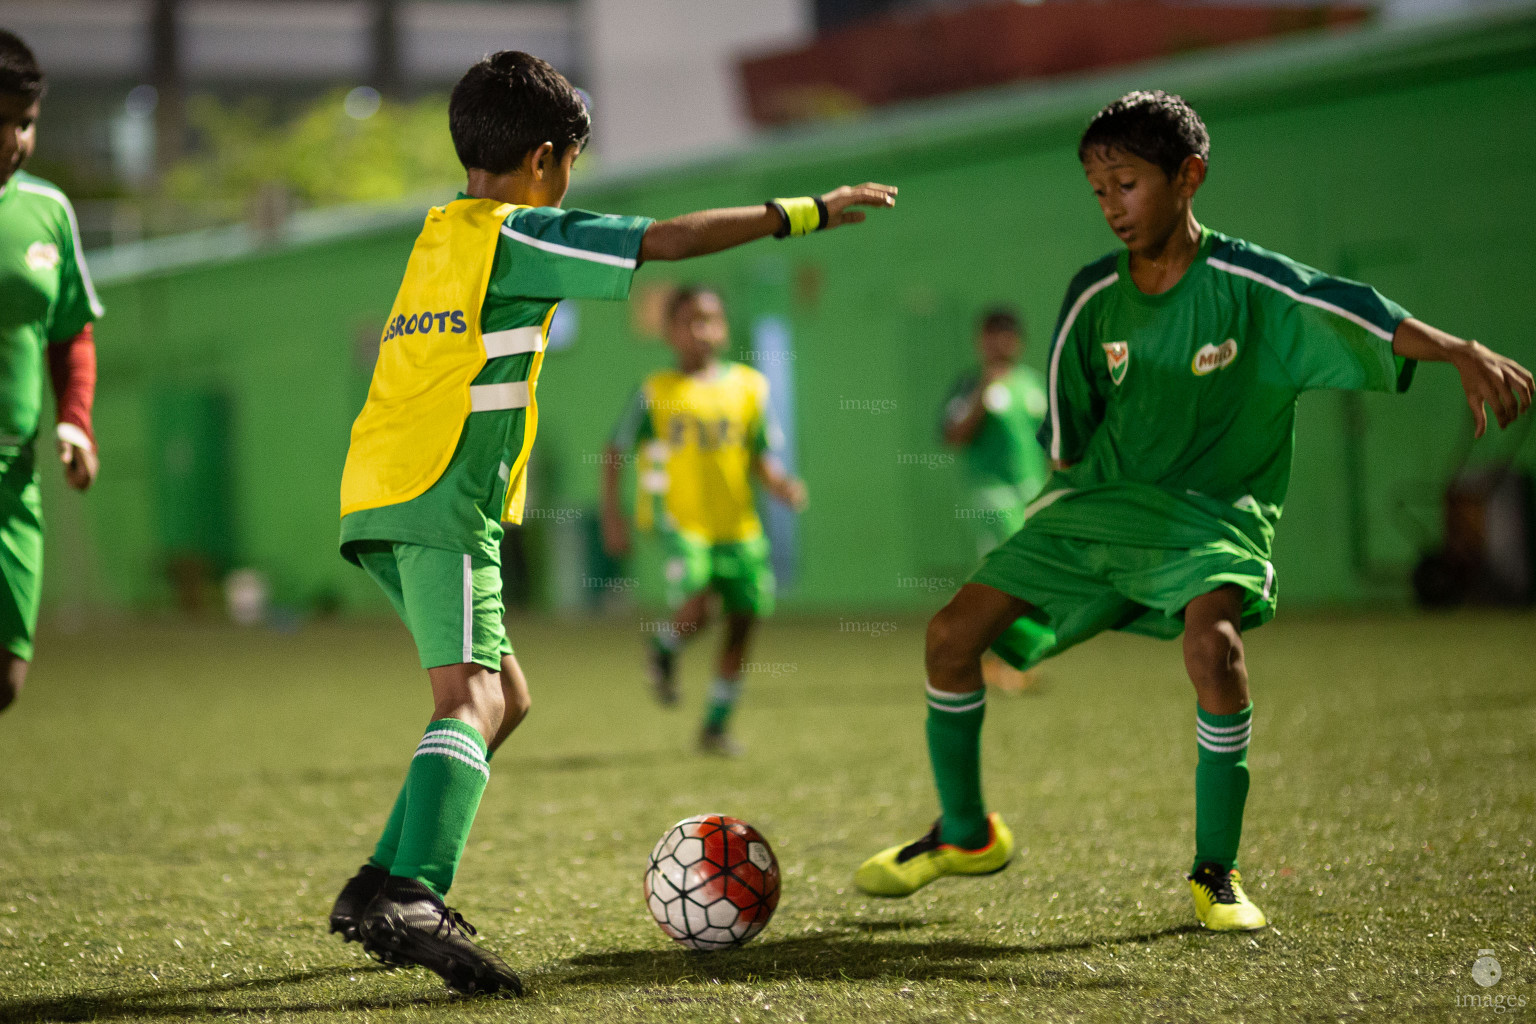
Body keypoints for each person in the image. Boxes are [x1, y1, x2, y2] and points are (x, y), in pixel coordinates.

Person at [854, 90, 1531, 932]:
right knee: (950, 638)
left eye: (1127, 184)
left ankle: (1216, 871)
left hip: (1216, 516)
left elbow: (1352, 309)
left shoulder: (1249, 284)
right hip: (1102, 508)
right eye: (1098, 190)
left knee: (1215, 653)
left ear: (1190, 177)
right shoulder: (1093, 296)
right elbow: (1066, 440)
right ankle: (965, 833)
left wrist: (1459, 350)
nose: (1111, 206)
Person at [327, 50, 894, 996]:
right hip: (440, 496)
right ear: (546, 158)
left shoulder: (444, 234)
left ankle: (376, 883)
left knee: (508, 697)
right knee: (469, 701)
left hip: (383, 488)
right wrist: (804, 211)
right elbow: (664, 241)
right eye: (574, 164)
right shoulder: (520, 232)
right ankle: (413, 894)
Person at [601, 285, 807, 756]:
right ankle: (667, 646)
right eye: (691, 320)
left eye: (711, 319)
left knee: (744, 620)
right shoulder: (656, 391)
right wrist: (613, 516)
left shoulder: (750, 388)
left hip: (739, 527)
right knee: (700, 603)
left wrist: (782, 485)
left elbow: (760, 456)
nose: (703, 330)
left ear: (725, 327)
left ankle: (714, 725)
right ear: (671, 332)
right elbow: (614, 451)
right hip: (682, 523)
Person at [0, 30, 102, 716]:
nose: (14, 139)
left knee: (6, 679)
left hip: (13, 473)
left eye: (25, 122)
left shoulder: (49, 212)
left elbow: (71, 334)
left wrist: (75, 421)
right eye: (0, 121)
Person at [941, 306, 1050, 691]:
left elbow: (1056, 444)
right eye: (991, 334)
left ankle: (1004, 658)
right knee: (1004, 578)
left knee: (1025, 580)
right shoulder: (969, 385)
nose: (999, 342)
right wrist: (982, 394)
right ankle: (995, 660)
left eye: (1006, 334)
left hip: (1032, 498)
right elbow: (952, 436)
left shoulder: (1036, 386)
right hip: (989, 498)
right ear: (979, 340)